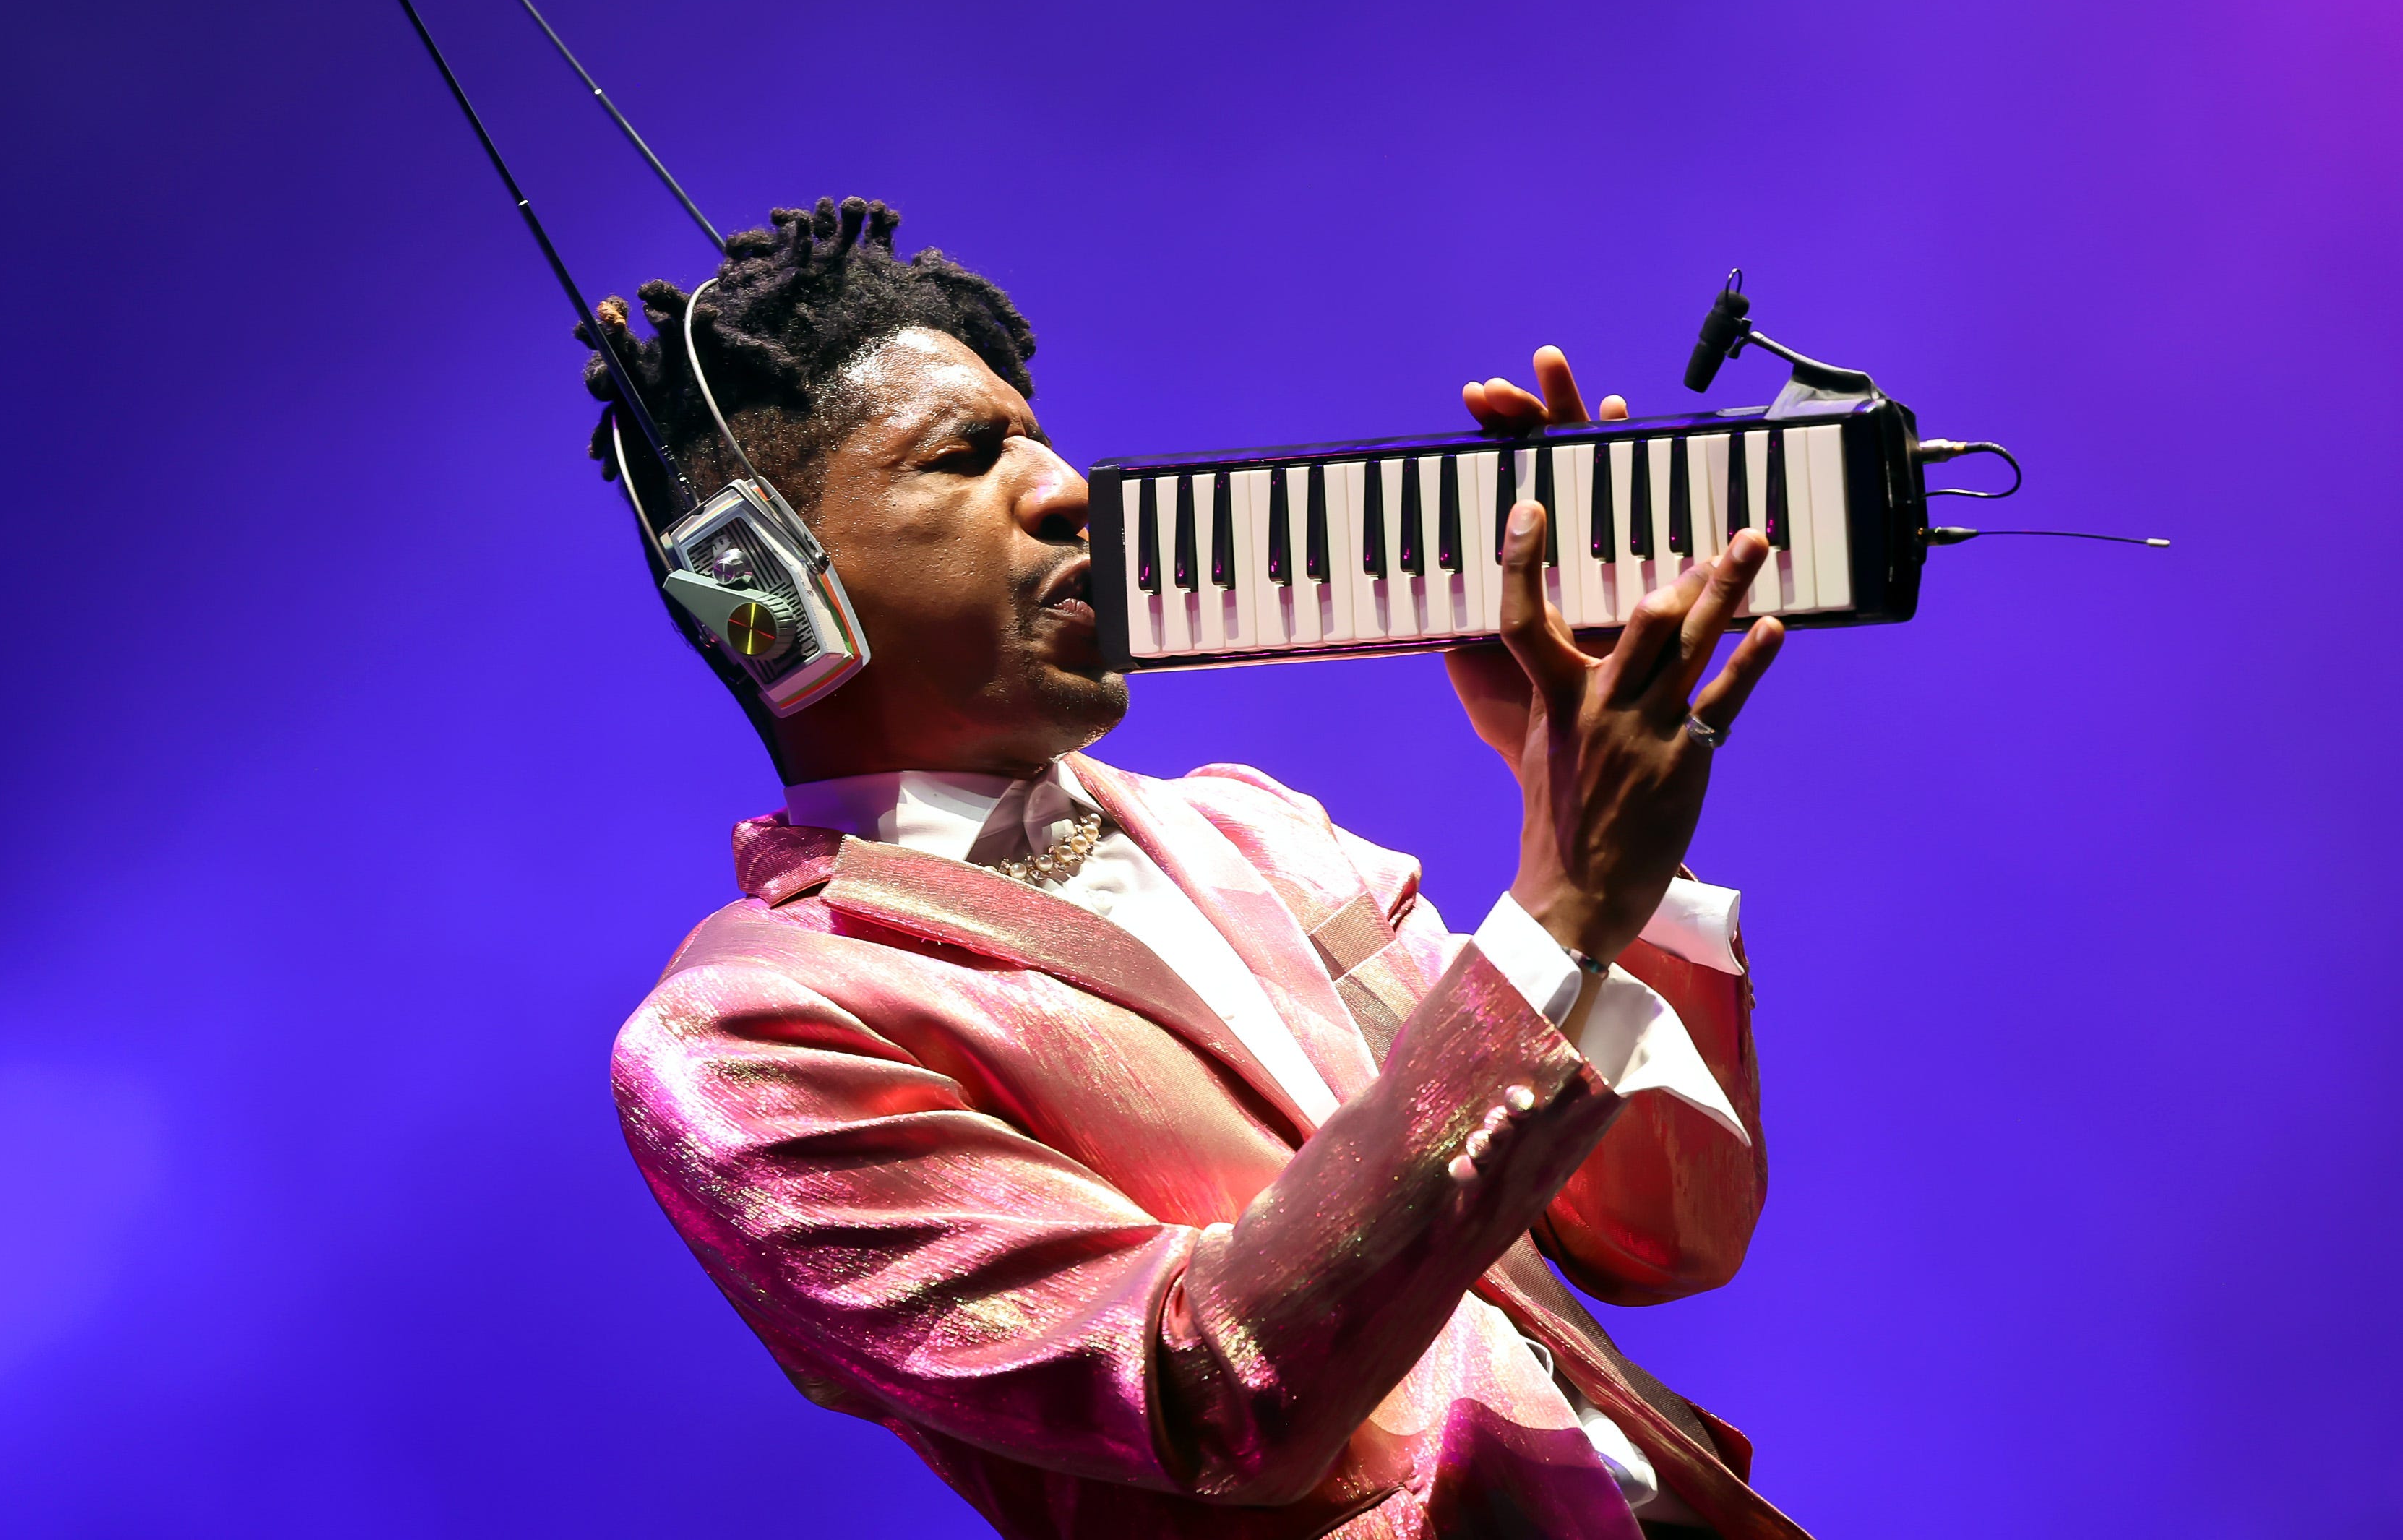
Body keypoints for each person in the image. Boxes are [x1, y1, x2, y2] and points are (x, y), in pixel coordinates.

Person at [600, 197, 1805, 1540]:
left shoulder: (1251, 824)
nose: (1066, 486)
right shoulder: (745, 1032)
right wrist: (1558, 906)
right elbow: (1205, 1389)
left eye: (1043, 435)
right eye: (967, 454)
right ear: (759, 583)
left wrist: (1582, 822)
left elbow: (1665, 1234)